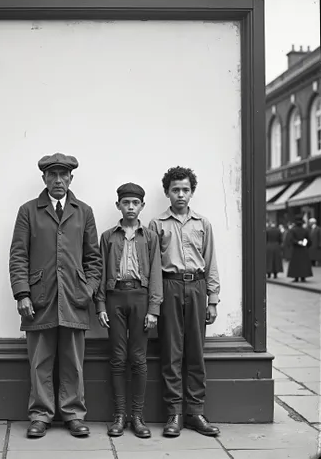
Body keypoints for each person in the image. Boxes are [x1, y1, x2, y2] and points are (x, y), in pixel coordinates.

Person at [9, 153, 102, 438]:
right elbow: (18, 255)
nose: (58, 180)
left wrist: (87, 290)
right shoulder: (28, 211)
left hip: (75, 299)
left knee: (73, 360)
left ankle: (74, 414)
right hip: (39, 299)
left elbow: (94, 259)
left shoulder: (83, 211)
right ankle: (40, 415)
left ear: (71, 178)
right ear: (44, 179)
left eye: (64, 175)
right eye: (53, 175)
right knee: (40, 361)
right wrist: (22, 293)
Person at [148, 166, 220, 438]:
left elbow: (211, 262)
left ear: (192, 193)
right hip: (169, 286)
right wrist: (155, 303)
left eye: (185, 190)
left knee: (195, 352)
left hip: (198, 287)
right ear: (167, 192)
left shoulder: (203, 224)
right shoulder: (157, 225)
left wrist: (212, 299)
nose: (181, 194)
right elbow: (153, 267)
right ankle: (174, 413)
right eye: (175, 190)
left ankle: (195, 412)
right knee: (171, 351)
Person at [95, 183, 163, 439]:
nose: (131, 207)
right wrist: (100, 305)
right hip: (115, 298)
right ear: (118, 206)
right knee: (117, 357)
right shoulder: (108, 236)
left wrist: (153, 308)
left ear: (142, 206)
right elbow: (100, 272)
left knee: (138, 358)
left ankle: (137, 415)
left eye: (135, 203)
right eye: (126, 203)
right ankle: (120, 415)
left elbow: (156, 272)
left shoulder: (150, 238)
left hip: (140, 298)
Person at [286, 215, 313, 282]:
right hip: (304, 249)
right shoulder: (305, 230)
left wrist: (298, 242)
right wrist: (304, 243)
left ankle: (296, 277)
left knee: (296, 263)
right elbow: (309, 240)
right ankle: (303, 277)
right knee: (304, 263)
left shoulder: (292, 230)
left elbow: (291, 239)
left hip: (296, 249)